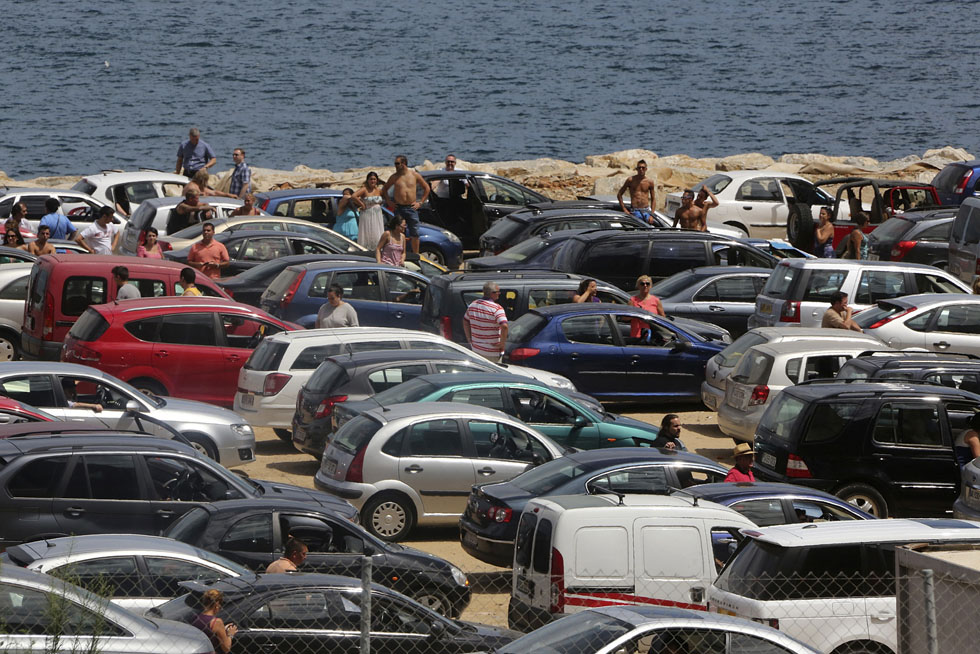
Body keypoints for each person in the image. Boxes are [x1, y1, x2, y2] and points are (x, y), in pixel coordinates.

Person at [381, 155, 430, 255]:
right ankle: (398, 253)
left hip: (411, 208)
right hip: (399, 207)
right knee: (397, 232)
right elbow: (384, 189)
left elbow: (427, 188)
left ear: (403, 164)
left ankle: (416, 255)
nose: (395, 166)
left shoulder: (414, 175)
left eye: (397, 163)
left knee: (415, 233)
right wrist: (389, 201)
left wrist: (420, 202)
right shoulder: (394, 177)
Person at [463, 281, 508, 362]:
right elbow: (504, 326)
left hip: (476, 350)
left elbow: (465, 321)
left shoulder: (473, 305)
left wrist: (469, 339)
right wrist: (502, 344)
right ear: (492, 293)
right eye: (498, 292)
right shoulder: (497, 308)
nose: (499, 294)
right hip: (492, 352)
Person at [191, 589, 237, 654]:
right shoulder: (216, 622)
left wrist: (222, 629)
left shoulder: (195, 618)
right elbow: (226, 648)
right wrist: (230, 634)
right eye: (221, 604)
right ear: (217, 604)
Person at [353, 171, 385, 249]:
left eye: (374, 179)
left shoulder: (379, 190)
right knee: (368, 232)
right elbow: (354, 196)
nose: (372, 181)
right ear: (367, 180)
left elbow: (384, 198)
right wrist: (362, 204)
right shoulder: (364, 189)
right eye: (371, 179)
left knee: (377, 232)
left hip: (377, 215)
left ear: (377, 180)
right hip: (367, 213)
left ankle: (378, 248)